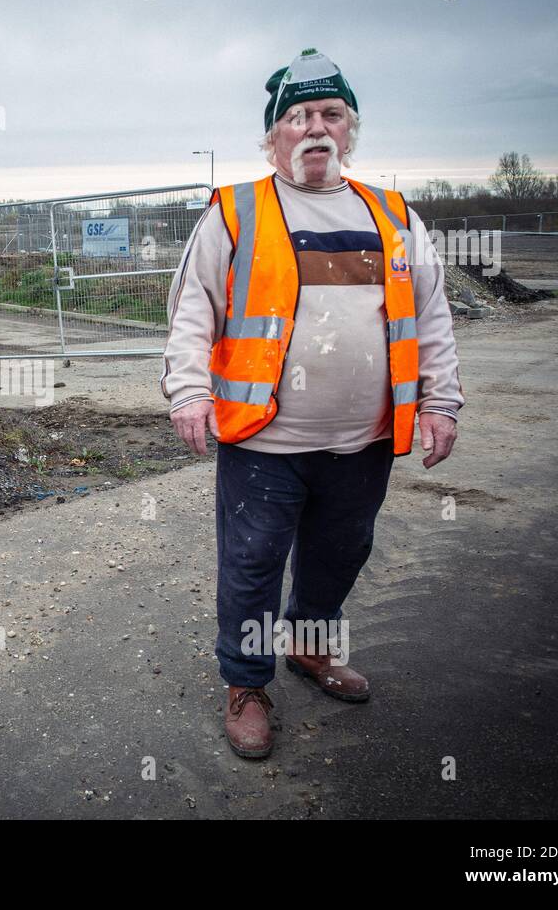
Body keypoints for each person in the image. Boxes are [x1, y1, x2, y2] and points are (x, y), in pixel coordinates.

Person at [161, 49, 464, 759]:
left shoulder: (392, 216)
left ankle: (309, 647)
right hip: (264, 439)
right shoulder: (235, 211)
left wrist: (440, 402)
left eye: (331, 114)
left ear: (350, 131)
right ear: (273, 137)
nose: (316, 128)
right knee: (253, 562)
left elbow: (432, 316)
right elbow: (191, 313)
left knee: (339, 555)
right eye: (298, 117)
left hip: (363, 440)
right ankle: (245, 684)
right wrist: (188, 391)